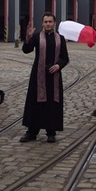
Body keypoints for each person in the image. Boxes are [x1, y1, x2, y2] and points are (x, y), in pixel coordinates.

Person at [19, 12, 69, 143]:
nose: (48, 24)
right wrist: (28, 38)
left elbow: (65, 57)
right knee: (35, 103)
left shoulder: (60, 38)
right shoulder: (36, 36)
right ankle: (31, 132)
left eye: (50, 22)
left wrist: (59, 65)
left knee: (52, 103)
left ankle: (51, 132)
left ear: (54, 23)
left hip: (54, 76)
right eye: (45, 22)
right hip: (38, 75)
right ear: (42, 23)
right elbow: (26, 50)